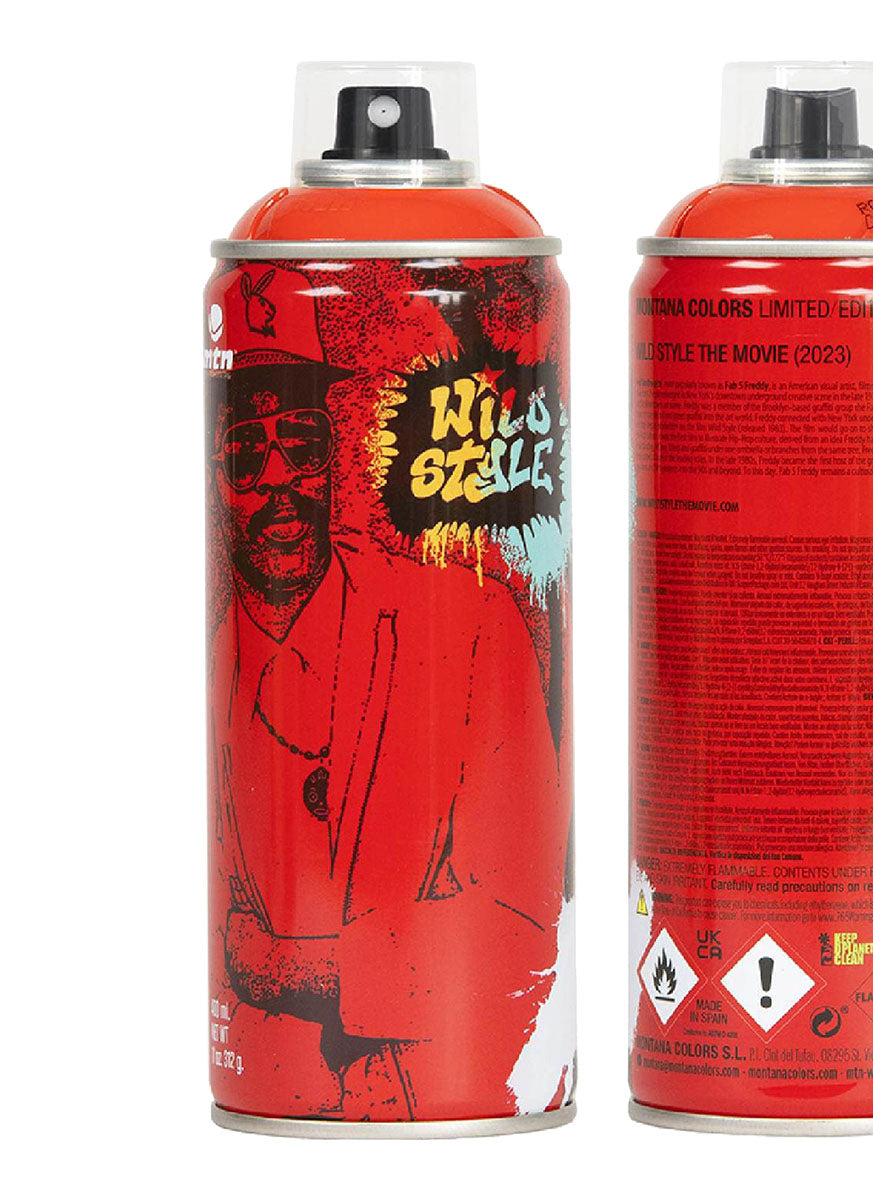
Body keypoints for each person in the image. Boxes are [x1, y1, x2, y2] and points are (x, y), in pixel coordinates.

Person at [206, 263, 570, 1120]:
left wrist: (299, 971)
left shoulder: (472, 622)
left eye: (302, 443)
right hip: (282, 1115)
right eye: (246, 454)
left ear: (334, 454)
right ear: (214, 474)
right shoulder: (221, 661)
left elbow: (530, 932)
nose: (279, 479)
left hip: (463, 1089)